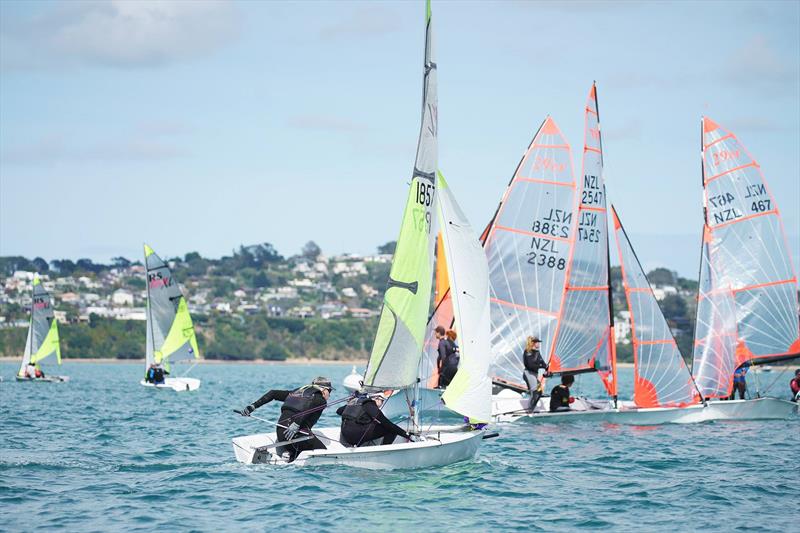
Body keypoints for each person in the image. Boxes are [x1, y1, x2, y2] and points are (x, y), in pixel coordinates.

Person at [241, 377, 332, 462]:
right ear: (323, 389)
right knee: (324, 454)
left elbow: (273, 393)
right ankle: (292, 454)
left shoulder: (296, 392)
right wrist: (296, 424)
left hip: (281, 433)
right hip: (295, 435)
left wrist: (253, 406)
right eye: (330, 390)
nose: (330, 394)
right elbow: (308, 408)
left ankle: (290, 454)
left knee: (301, 447)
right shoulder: (320, 399)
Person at [337, 391, 413, 447]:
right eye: (382, 401)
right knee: (390, 430)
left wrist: (350, 403)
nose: (382, 403)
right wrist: (406, 435)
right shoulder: (370, 405)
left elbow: (339, 411)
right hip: (356, 437)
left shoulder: (356, 402)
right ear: (376, 398)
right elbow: (387, 423)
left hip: (346, 437)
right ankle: (383, 451)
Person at [522, 336, 549, 410]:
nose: (539, 344)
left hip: (534, 375)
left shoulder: (537, 352)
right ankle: (530, 409)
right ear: (533, 343)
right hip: (528, 374)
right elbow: (530, 365)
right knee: (536, 393)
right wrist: (541, 366)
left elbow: (542, 363)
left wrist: (547, 368)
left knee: (539, 392)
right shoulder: (527, 352)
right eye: (538, 342)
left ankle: (531, 407)